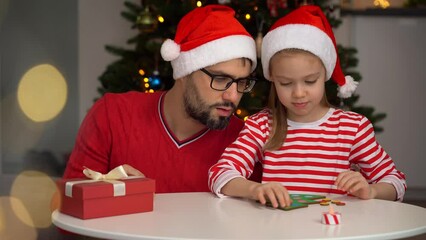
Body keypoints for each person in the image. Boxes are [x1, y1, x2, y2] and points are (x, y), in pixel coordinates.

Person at [208, 5, 406, 208]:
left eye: (310, 81)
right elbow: (220, 173)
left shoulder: (351, 128)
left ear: (325, 75)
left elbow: (395, 181)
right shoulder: (261, 126)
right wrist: (254, 189)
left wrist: (371, 190)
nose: (299, 93)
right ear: (273, 81)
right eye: (285, 83)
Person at [63, 5, 258, 193]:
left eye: (242, 83)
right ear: (184, 72)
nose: (233, 96)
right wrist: (112, 194)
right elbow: (68, 213)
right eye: (221, 78)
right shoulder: (112, 114)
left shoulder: (247, 141)